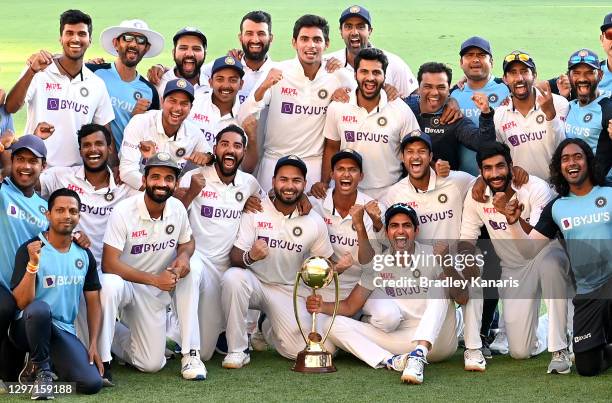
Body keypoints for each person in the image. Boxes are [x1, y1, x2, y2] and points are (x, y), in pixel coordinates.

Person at [220, 155, 350, 368]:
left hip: (288, 290)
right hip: (254, 282)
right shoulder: (256, 209)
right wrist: (251, 256)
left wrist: (338, 268)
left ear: (304, 184)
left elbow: (322, 265)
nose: (289, 186)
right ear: (273, 182)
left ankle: (267, 326)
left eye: (296, 180)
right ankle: (237, 350)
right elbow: (235, 257)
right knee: (232, 278)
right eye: (283, 179)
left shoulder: (313, 221)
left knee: (299, 351)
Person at [307, 203, 458, 384]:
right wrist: (322, 306)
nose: (400, 231)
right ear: (387, 232)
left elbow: (463, 298)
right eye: (394, 226)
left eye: (407, 225)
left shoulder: (434, 254)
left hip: (438, 340)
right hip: (403, 341)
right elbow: (350, 306)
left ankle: (419, 355)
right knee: (332, 324)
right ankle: (392, 361)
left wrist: (447, 265)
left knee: (440, 286)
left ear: (416, 230)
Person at [459, 142, 572, 374]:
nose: (495, 173)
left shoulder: (536, 187)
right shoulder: (477, 194)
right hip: (513, 268)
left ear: (511, 166)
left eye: (500, 166)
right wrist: (467, 266)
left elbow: (539, 238)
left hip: (544, 254)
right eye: (487, 168)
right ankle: (546, 328)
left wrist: (511, 215)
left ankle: (560, 347)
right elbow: (467, 238)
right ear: (480, 172)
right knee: (520, 351)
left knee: (552, 266)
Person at [381, 131, 488, 371]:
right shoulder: (394, 193)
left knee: (474, 270)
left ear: (431, 156)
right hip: (420, 266)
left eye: (421, 151)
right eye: (410, 152)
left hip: (455, 258)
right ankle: (430, 341)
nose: (415, 157)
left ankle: (473, 349)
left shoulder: (455, 180)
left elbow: (482, 182)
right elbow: (383, 227)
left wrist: (480, 180)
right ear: (402, 157)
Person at [507, 138, 611, 377]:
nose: (571, 163)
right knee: (587, 367)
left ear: (588, 162)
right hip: (587, 294)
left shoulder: (609, 193)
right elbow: (529, 251)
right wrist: (514, 223)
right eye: (565, 159)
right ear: (559, 168)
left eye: (577, 157)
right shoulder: (556, 207)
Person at [99, 152, 205, 380]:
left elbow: (187, 241)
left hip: (154, 292)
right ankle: (102, 358)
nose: (161, 183)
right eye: (155, 177)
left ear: (176, 184)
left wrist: (184, 257)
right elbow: (108, 263)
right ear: (145, 180)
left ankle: (191, 355)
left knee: (151, 364)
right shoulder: (124, 211)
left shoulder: (176, 208)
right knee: (109, 284)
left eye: (169, 178)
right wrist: (155, 280)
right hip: (127, 284)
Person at [175, 124, 263, 361]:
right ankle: (185, 351)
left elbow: (269, 208)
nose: (230, 150)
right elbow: (172, 217)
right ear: (215, 149)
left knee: (205, 353)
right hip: (197, 259)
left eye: (237, 146)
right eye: (225, 144)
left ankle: (194, 343)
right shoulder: (195, 177)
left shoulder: (249, 184)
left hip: (223, 270)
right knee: (191, 269)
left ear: (243, 152)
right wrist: (192, 192)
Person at [237, 14, 354, 191]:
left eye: (317, 39)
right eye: (304, 39)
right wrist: (264, 86)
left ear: (327, 44)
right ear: (294, 42)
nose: (311, 45)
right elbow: (244, 116)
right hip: (273, 163)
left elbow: (361, 105)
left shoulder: (338, 75)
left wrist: (345, 97)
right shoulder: (277, 71)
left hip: (313, 165)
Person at [10, 188, 103, 399]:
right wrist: (33, 265)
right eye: (60, 210)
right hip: (27, 326)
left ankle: (49, 362)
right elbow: (23, 302)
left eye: (72, 211)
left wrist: (94, 343)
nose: (66, 215)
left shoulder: (84, 254)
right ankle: (42, 372)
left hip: (62, 330)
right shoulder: (31, 249)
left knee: (91, 383)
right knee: (40, 309)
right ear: (48, 214)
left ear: (79, 216)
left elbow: (93, 301)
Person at [4, 9, 114, 167]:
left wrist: (113, 168)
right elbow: (11, 107)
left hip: (75, 174)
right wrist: (31, 72)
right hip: (37, 168)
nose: (75, 39)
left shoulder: (97, 84)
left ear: (90, 40)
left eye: (82, 34)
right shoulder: (39, 71)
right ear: (60, 38)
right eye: (69, 33)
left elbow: (105, 132)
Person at [313, 48, 419, 199]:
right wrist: (324, 182)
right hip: (348, 189)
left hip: (390, 191)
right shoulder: (338, 107)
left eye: (376, 72)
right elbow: (332, 147)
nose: (370, 78)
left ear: (384, 76)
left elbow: (414, 150)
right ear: (355, 74)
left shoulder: (400, 109)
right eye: (364, 72)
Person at [0, 135, 48, 382]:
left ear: (44, 166)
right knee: (4, 305)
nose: (25, 166)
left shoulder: (45, 208)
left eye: (33, 161)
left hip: (25, 291)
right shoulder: (2, 189)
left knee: (9, 376)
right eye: (20, 159)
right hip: (2, 289)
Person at [119, 78, 212, 190]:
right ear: (162, 102)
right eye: (172, 101)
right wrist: (159, 191)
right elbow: (127, 171)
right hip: (136, 192)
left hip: (169, 196)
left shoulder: (193, 132)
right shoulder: (140, 122)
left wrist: (208, 157)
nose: (177, 108)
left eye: (184, 103)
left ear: (191, 107)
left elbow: (210, 157)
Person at [89, 19, 163, 149]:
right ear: (116, 43)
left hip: (126, 164)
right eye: (128, 38)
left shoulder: (150, 91)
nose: (134, 44)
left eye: (141, 40)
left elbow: (152, 137)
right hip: (90, 159)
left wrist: (136, 119)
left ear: (146, 48)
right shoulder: (94, 71)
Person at [494, 51, 568, 181]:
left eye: (524, 71)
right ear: (505, 79)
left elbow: (563, 149)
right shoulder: (499, 114)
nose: (519, 78)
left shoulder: (559, 103)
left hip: (557, 189)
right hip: (521, 191)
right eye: (513, 73)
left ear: (534, 75)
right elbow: (499, 159)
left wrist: (551, 114)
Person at [408, 62, 496, 170]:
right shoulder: (405, 108)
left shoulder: (454, 118)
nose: (434, 92)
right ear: (419, 88)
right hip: (406, 184)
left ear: (448, 89)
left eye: (441, 87)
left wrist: (486, 113)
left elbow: (484, 145)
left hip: (445, 183)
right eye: (428, 86)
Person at [326, 5, 417, 97]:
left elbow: (416, 98)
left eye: (360, 27)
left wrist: (397, 99)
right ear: (341, 32)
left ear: (370, 31)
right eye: (348, 27)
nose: (354, 32)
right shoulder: (328, 64)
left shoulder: (394, 63)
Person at [450, 36, 510, 175]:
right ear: (461, 62)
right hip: (463, 181)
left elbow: (534, 86)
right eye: (469, 55)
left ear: (491, 62)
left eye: (481, 55)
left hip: (502, 178)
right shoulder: (453, 96)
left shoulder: (507, 88)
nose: (475, 59)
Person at [562, 49, 612, 184]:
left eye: (590, 73)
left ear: (600, 75)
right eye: (576, 73)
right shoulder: (568, 105)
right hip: (572, 187)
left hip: (602, 188)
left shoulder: (608, 108)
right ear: (569, 76)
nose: (582, 78)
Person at [549, 13, 612, 99]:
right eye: (610, 34)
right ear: (602, 39)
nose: (582, 77)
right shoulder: (592, 70)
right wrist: (566, 97)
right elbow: (540, 87)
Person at [189, 56, 243, 146]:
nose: (226, 85)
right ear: (210, 82)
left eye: (233, 80)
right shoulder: (193, 102)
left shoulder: (245, 115)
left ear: (241, 84)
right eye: (220, 79)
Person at [153, 27, 210, 99]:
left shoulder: (214, 83)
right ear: (174, 52)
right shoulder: (157, 83)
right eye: (183, 48)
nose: (190, 54)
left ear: (205, 54)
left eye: (196, 49)